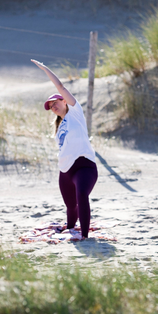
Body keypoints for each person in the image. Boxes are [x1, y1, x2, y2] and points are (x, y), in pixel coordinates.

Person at [32, 59, 98, 240]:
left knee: (82, 194)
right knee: (70, 206)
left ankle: (84, 236)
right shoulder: (59, 126)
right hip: (65, 171)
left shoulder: (75, 113)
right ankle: (71, 230)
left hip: (84, 166)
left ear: (64, 101)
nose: (53, 106)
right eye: (51, 107)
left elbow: (60, 86)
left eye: (56, 102)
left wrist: (45, 69)